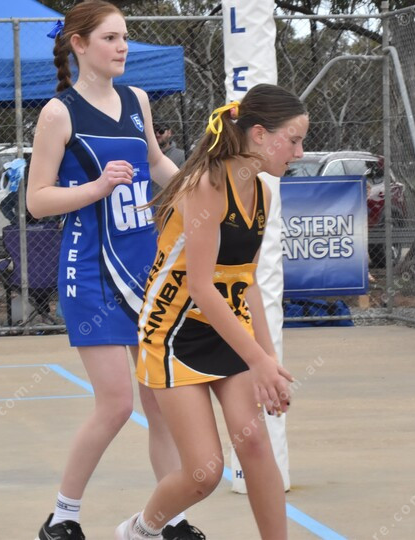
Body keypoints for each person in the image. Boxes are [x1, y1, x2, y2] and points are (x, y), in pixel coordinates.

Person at [26, 2, 200, 539]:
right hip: (92, 273)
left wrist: (197, 190)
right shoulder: (59, 113)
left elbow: (156, 163)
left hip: (145, 267)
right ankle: (62, 517)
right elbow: (36, 200)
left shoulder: (137, 100)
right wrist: (97, 187)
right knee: (117, 404)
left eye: (125, 36)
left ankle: (171, 519)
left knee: (162, 401)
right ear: (79, 44)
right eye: (110, 38)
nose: (123, 46)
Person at [116, 84, 307, 540]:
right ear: (259, 135)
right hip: (174, 333)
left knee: (255, 442)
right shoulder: (207, 185)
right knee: (204, 471)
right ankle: (140, 531)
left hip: (226, 327)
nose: (300, 152)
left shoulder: (263, 193)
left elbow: (248, 282)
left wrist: (268, 361)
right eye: (294, 140)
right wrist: (258, 359)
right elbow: (201, 288)